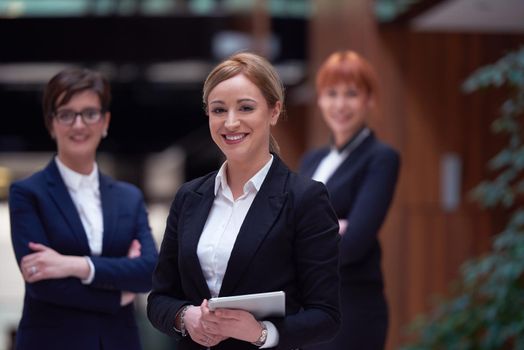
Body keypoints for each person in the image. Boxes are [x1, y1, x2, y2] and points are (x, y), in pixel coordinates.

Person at [147, 52, 341, 349]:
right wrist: (185, 317)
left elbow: (325, 316)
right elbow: (160, 298)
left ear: (274, 111)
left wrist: (261, 332)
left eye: (246, 107)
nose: (231, 122)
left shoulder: (305, 198)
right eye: (219, 110)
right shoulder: (189, 197)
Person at [9, 68, 158, 350]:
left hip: (118, 342)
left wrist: (73, 265)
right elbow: (43, 283)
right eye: (67, 114)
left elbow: (149, 271)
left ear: (105, 122)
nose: (79, 125)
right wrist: (119, 294)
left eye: (89, 113)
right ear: (51, 123)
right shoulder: (28, 194)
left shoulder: (129, 197)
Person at [299, 50, 400, 350]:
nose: (340, 105)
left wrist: (303, 237)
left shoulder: (381, 158)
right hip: (306, 311)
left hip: (352, 310)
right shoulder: (312, 160)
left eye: (351, 94)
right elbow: (284, 227)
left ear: (369, 99)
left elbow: (354, 244)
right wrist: (331, 229)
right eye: (331, 94)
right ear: (319, 100)